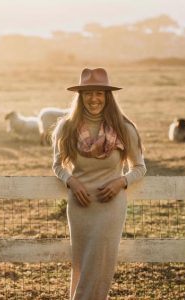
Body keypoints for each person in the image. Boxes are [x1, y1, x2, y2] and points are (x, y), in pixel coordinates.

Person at [52, 68, 146, 300]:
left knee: (99, 267)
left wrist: (121, 182)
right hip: (80, 207)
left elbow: (140, 167)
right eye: (88, 94)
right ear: (80, 97)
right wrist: (71, 181)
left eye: (100, 94)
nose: (94, 99)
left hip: (110, 207)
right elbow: (57, 165)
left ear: (107, 97)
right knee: (81, 265)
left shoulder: (125, 128)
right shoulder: (66, 127)